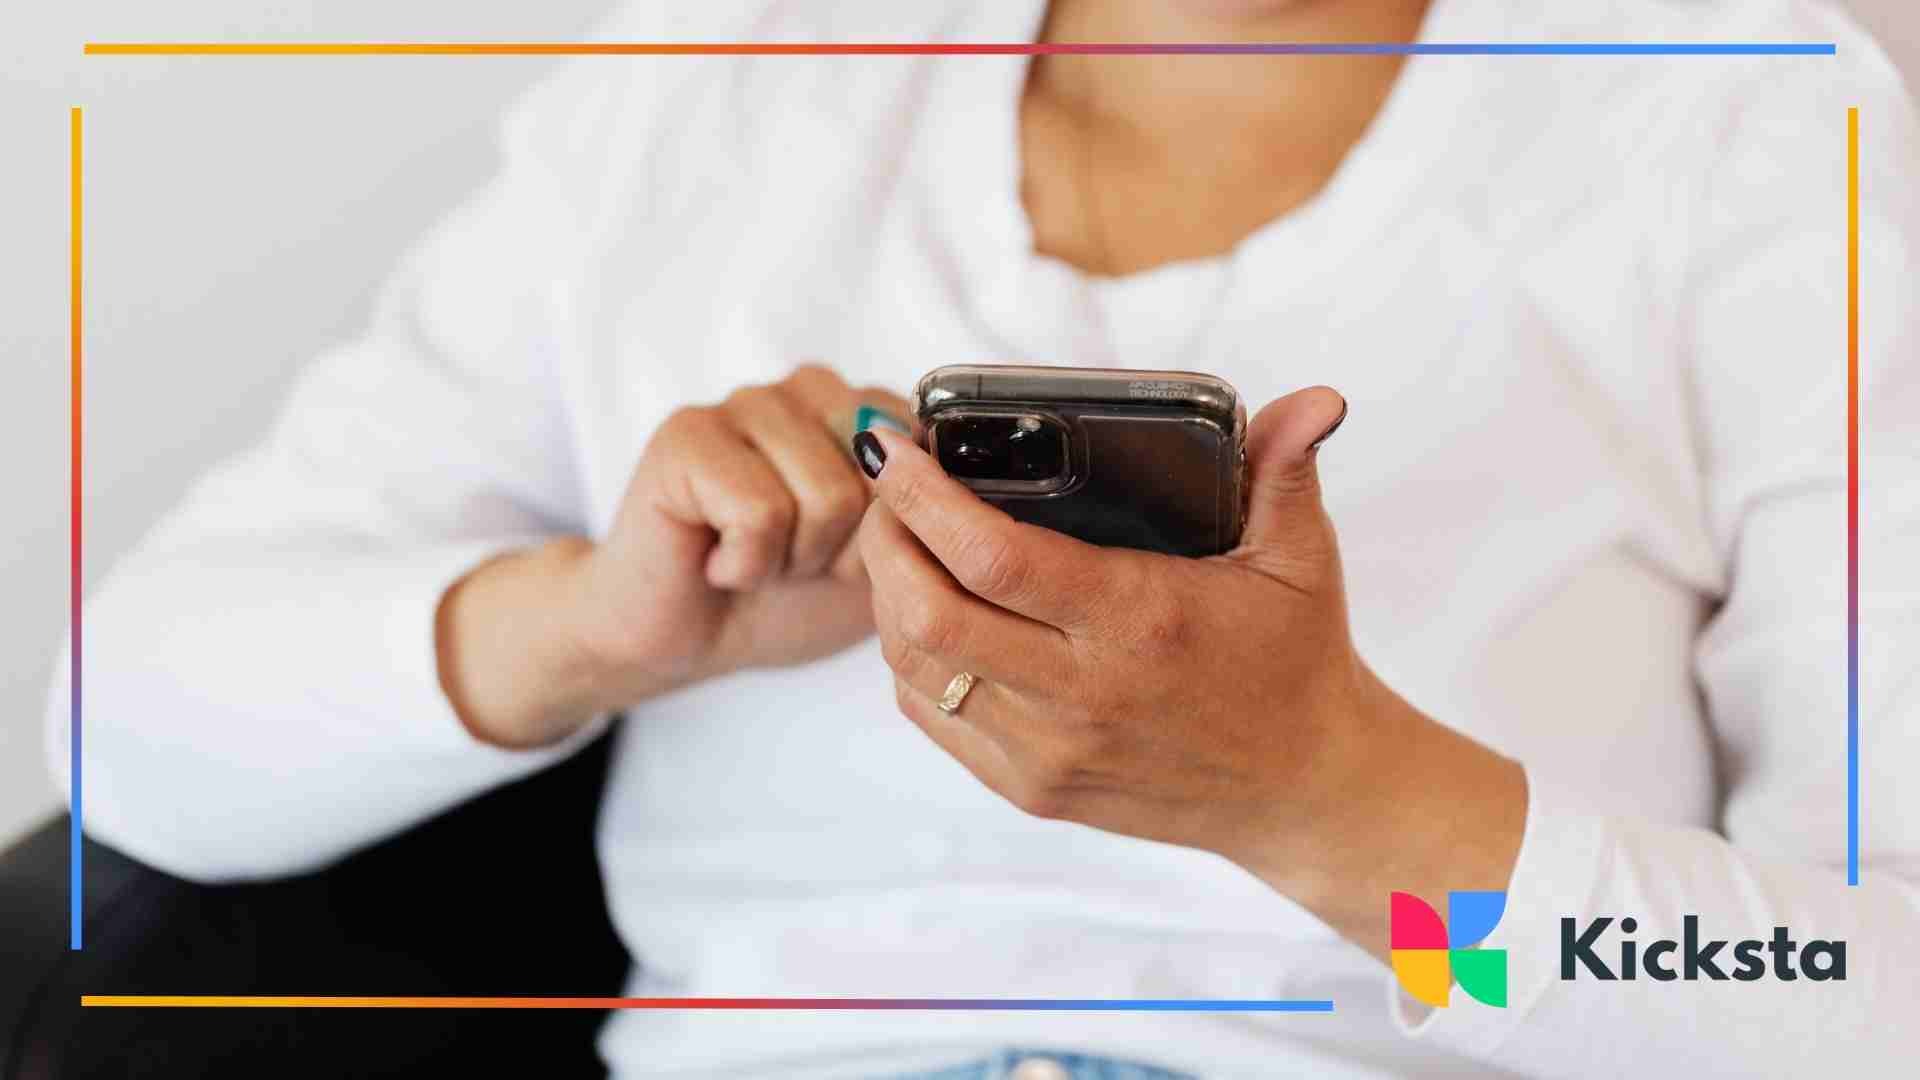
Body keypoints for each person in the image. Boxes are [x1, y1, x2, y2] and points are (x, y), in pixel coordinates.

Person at [47, 0, 1920, 1076]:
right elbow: (123, 734)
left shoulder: (1737, 120)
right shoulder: (715, 91)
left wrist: (1331, 811)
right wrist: (602, 627)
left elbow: (1871, 1005)